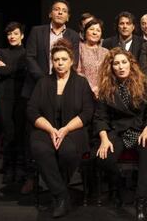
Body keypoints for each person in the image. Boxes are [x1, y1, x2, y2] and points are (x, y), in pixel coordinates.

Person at [27, 38, 94, 218]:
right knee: (41, 149)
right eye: (56, 60)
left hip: (73, 129)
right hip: (46, 128)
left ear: (71, 61)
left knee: (68, 152)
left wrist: (64, 130)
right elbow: (32, 110)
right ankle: (62, 195)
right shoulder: (43, 82)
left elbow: (87, 112)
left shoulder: (81, 82)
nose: (60, 63)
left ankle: (58, 192)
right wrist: (50, 129)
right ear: (52, 62)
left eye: (64, 59)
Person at [20, 0, 79, 194]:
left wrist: (57, 81)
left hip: (62, 90)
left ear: (68, 16)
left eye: (64, 11)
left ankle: (57, 179)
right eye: (56, 9)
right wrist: (45, 80)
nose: (60, 13)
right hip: (38, 86)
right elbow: (29, 57)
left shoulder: (72, 35)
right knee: (33, 135)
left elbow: (74, 60)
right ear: (50, 13)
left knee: (59, 134)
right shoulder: (37, 31)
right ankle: (31, 177)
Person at [94, 47, 147, 221]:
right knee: (104, 159)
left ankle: (141, 201)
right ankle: (119, 185)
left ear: (130, 64)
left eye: (124, 62)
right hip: (118, 131)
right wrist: (104, 138)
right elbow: (100, 117)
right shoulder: (106, 87)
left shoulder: (144, 83)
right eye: (116, 63)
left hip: (139, 130)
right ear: (111, 67)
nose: (121, 66)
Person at [0, 22, 27, 184]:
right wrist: (16, 68)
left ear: (22, 35)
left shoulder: (27, 54)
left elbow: (25, 71)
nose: (12, 37)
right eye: (9, 34)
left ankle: (20, 168)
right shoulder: (1, 52)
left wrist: (8, 68)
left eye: (15, 33)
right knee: (8, 133)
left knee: (20, 134)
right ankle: (8, 168)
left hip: (21, 98)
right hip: (4, 98)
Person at [76, 18, 108, 98]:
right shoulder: (79, 48)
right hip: (82, 92)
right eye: (91, 29)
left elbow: (108, 74)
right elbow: (77, 71)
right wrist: (91, 87)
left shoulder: (106, 52)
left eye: (98, 30)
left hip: (103, 93)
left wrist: (100, 88)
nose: (95, 33)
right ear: (85, 32)